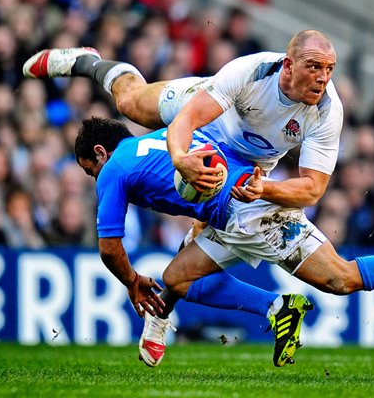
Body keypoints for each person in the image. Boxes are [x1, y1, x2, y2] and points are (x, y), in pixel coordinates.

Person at [75, 116, 374, 368]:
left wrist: (132, 281)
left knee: (341, 279)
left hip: (253, 214)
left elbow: (110, 248)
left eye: (89, 170)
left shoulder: (114, 170)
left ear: (100, 152)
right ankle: (279, 309)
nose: (95, 179)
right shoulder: (167, 135)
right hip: (231, 210)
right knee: (179, 277)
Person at [25, 30, 343, 363]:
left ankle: (164, 322)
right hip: (206, 119)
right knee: (130, 102)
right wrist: (180, 159)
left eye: (328, 70)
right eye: (315, 67)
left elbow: (314, 184)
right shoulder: (251, 70)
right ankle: (87, 61)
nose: (322, 78)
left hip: (245, 161)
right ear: (290, 66)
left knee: (188, 262)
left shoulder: (325, 108)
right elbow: (188, 119)